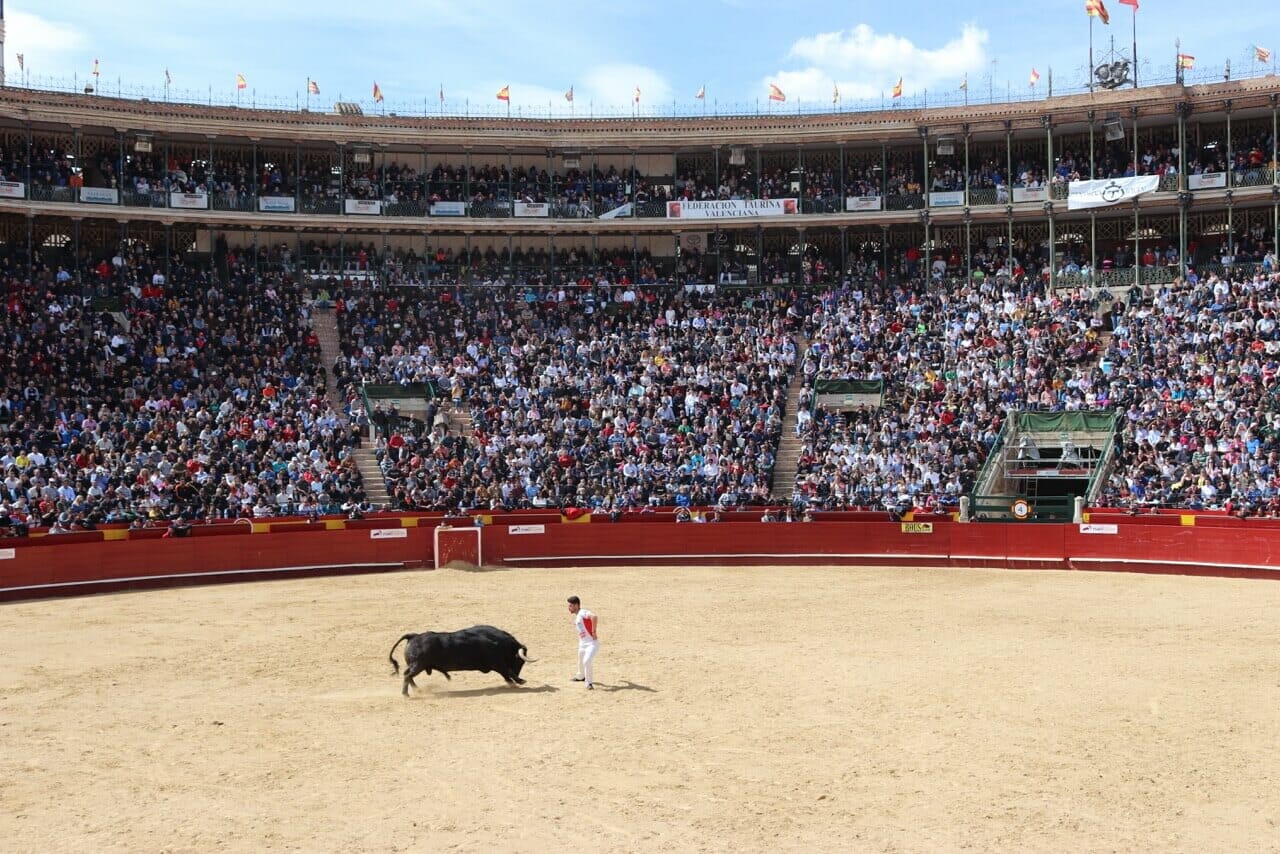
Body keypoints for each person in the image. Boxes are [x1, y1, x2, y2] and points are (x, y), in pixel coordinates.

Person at [567, 595, 599, 690]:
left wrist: (593, 631)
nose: (569, 608)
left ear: (576, 605)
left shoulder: (583, 612)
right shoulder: (577, 616)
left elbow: (594, 617)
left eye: (570, 606)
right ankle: (580, 676)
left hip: (592, 643)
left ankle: (588, 683)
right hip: (583, 643)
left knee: (586, 661)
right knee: (580, 660)